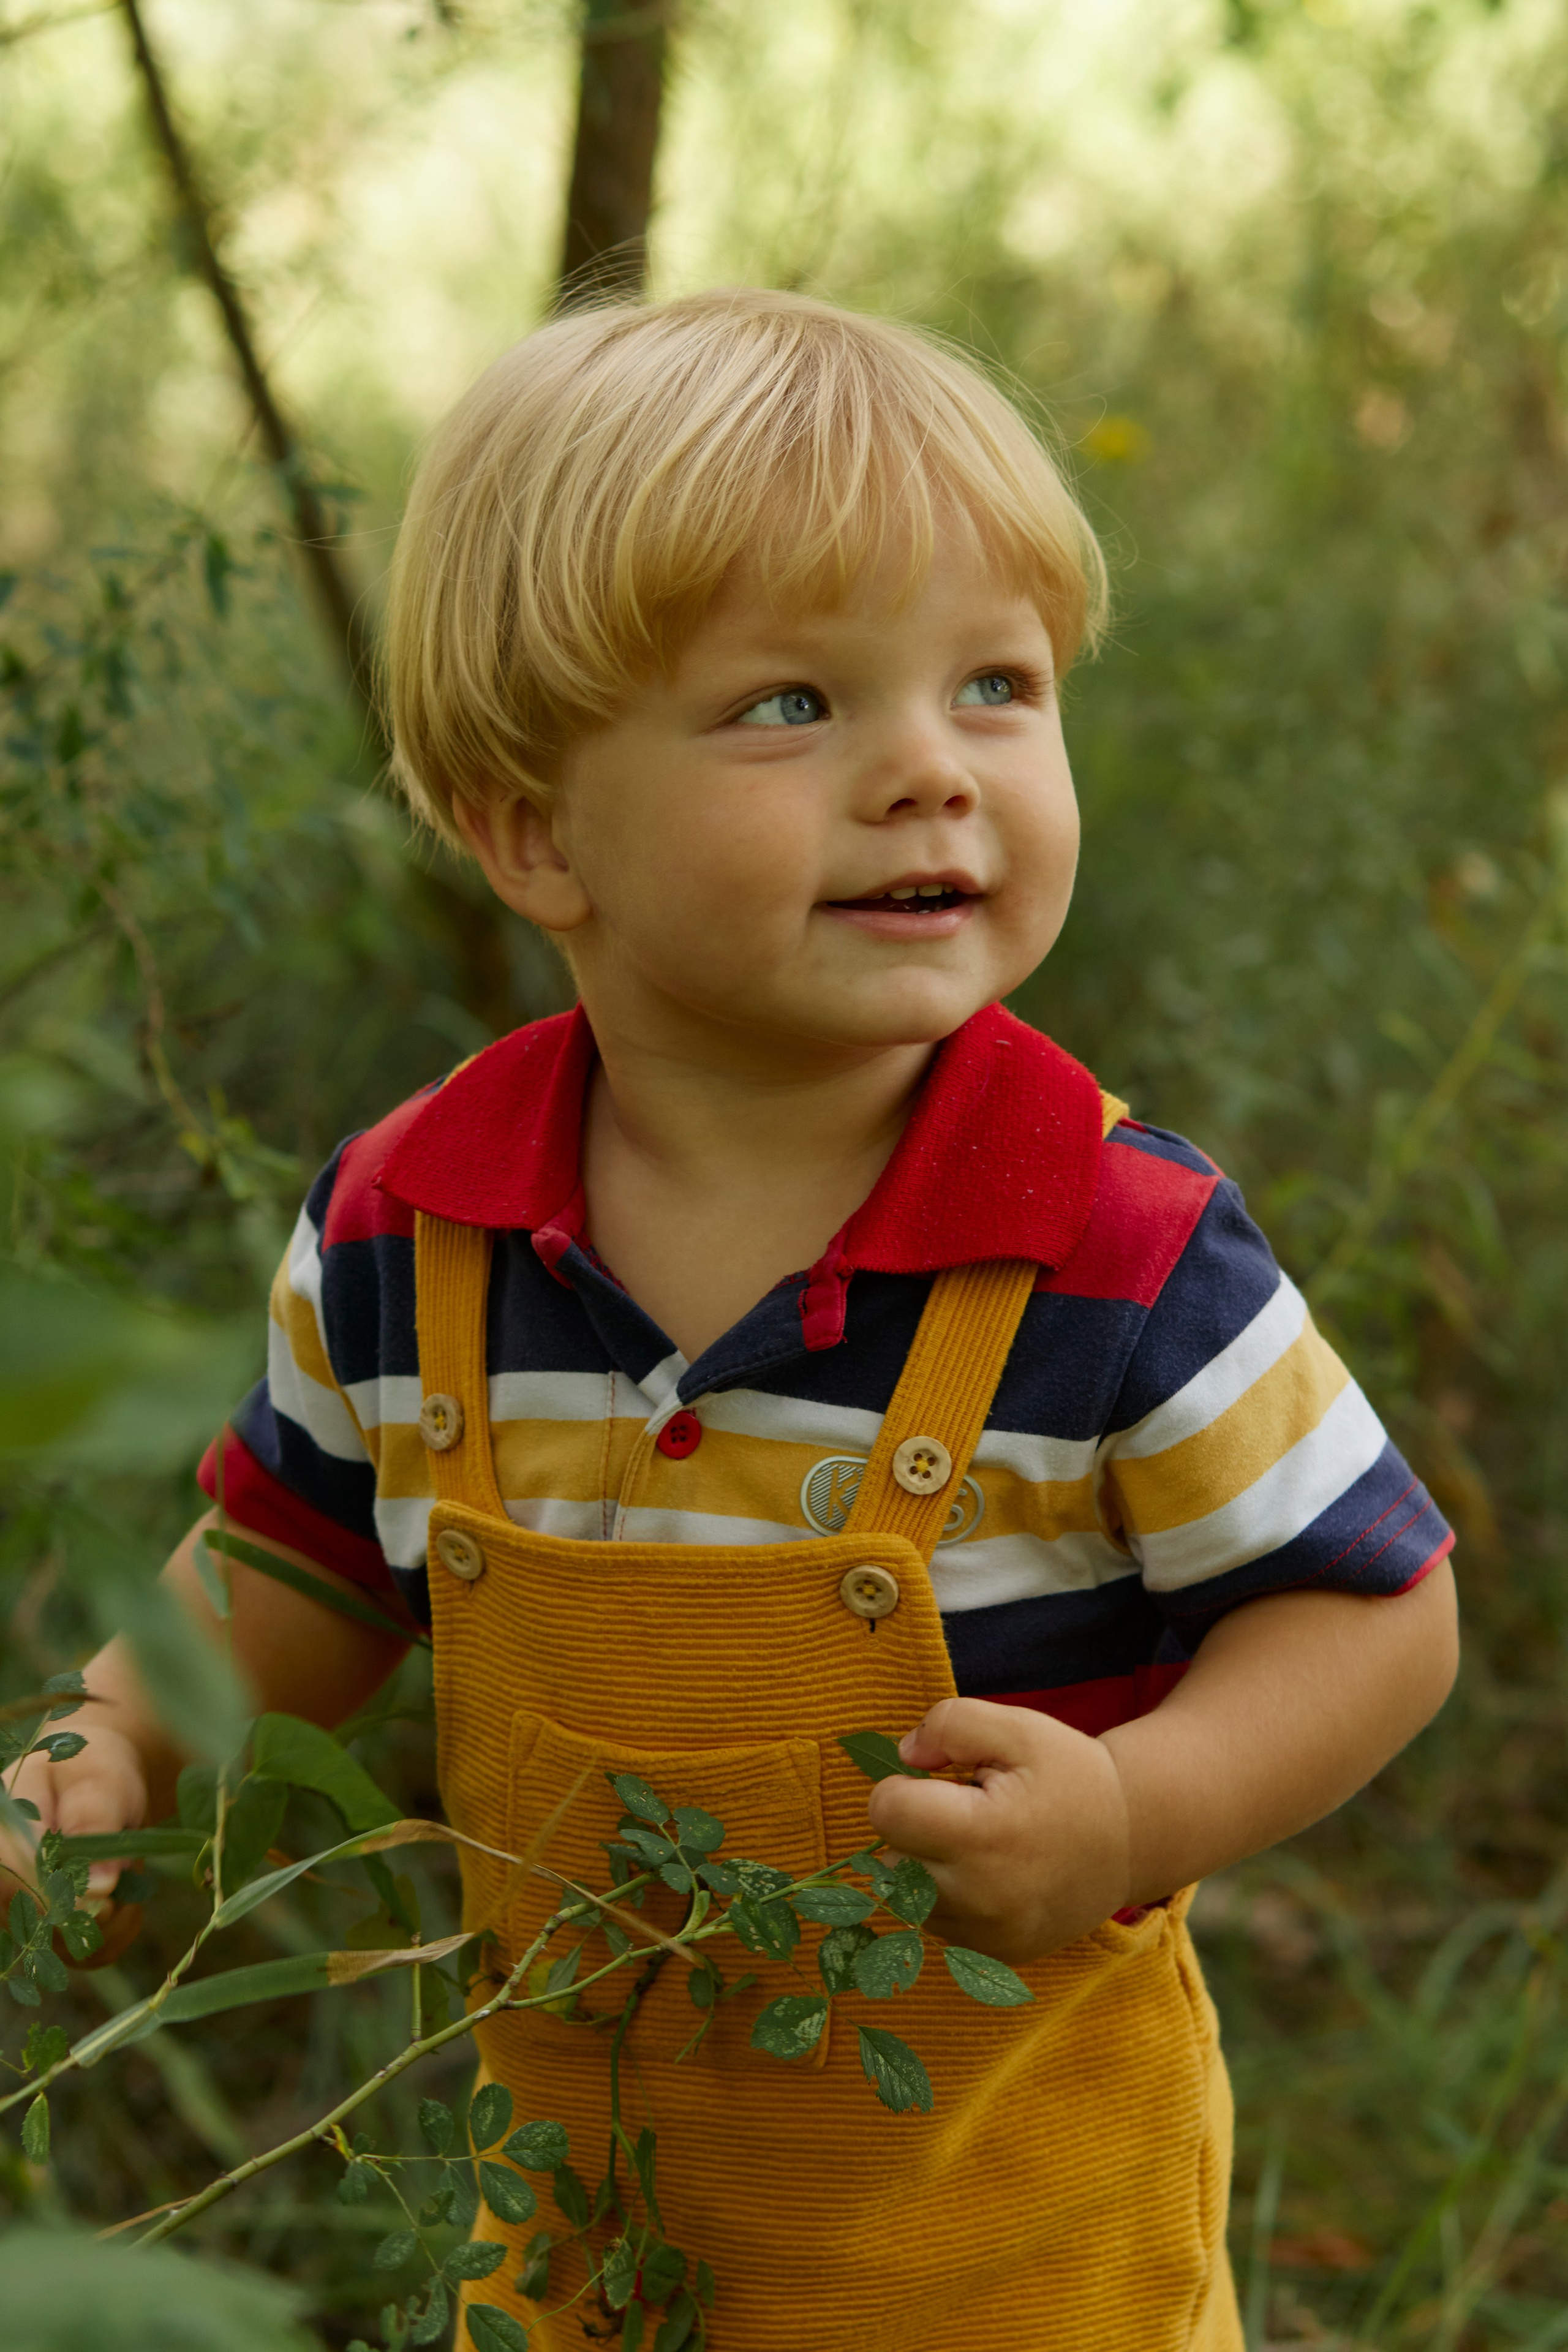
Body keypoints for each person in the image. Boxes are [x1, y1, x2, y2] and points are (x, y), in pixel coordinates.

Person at [6, 289, 1458, 2349]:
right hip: (587, 2247)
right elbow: (298, 1553)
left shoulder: (1118, 1252)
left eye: (996, 687)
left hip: (1017, 2260)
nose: (927, 776)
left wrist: (1141, 1811)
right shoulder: (412, 1233)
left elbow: (1377, 1610)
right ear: (533, 832)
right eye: (793, 705)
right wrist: (119, 1739)